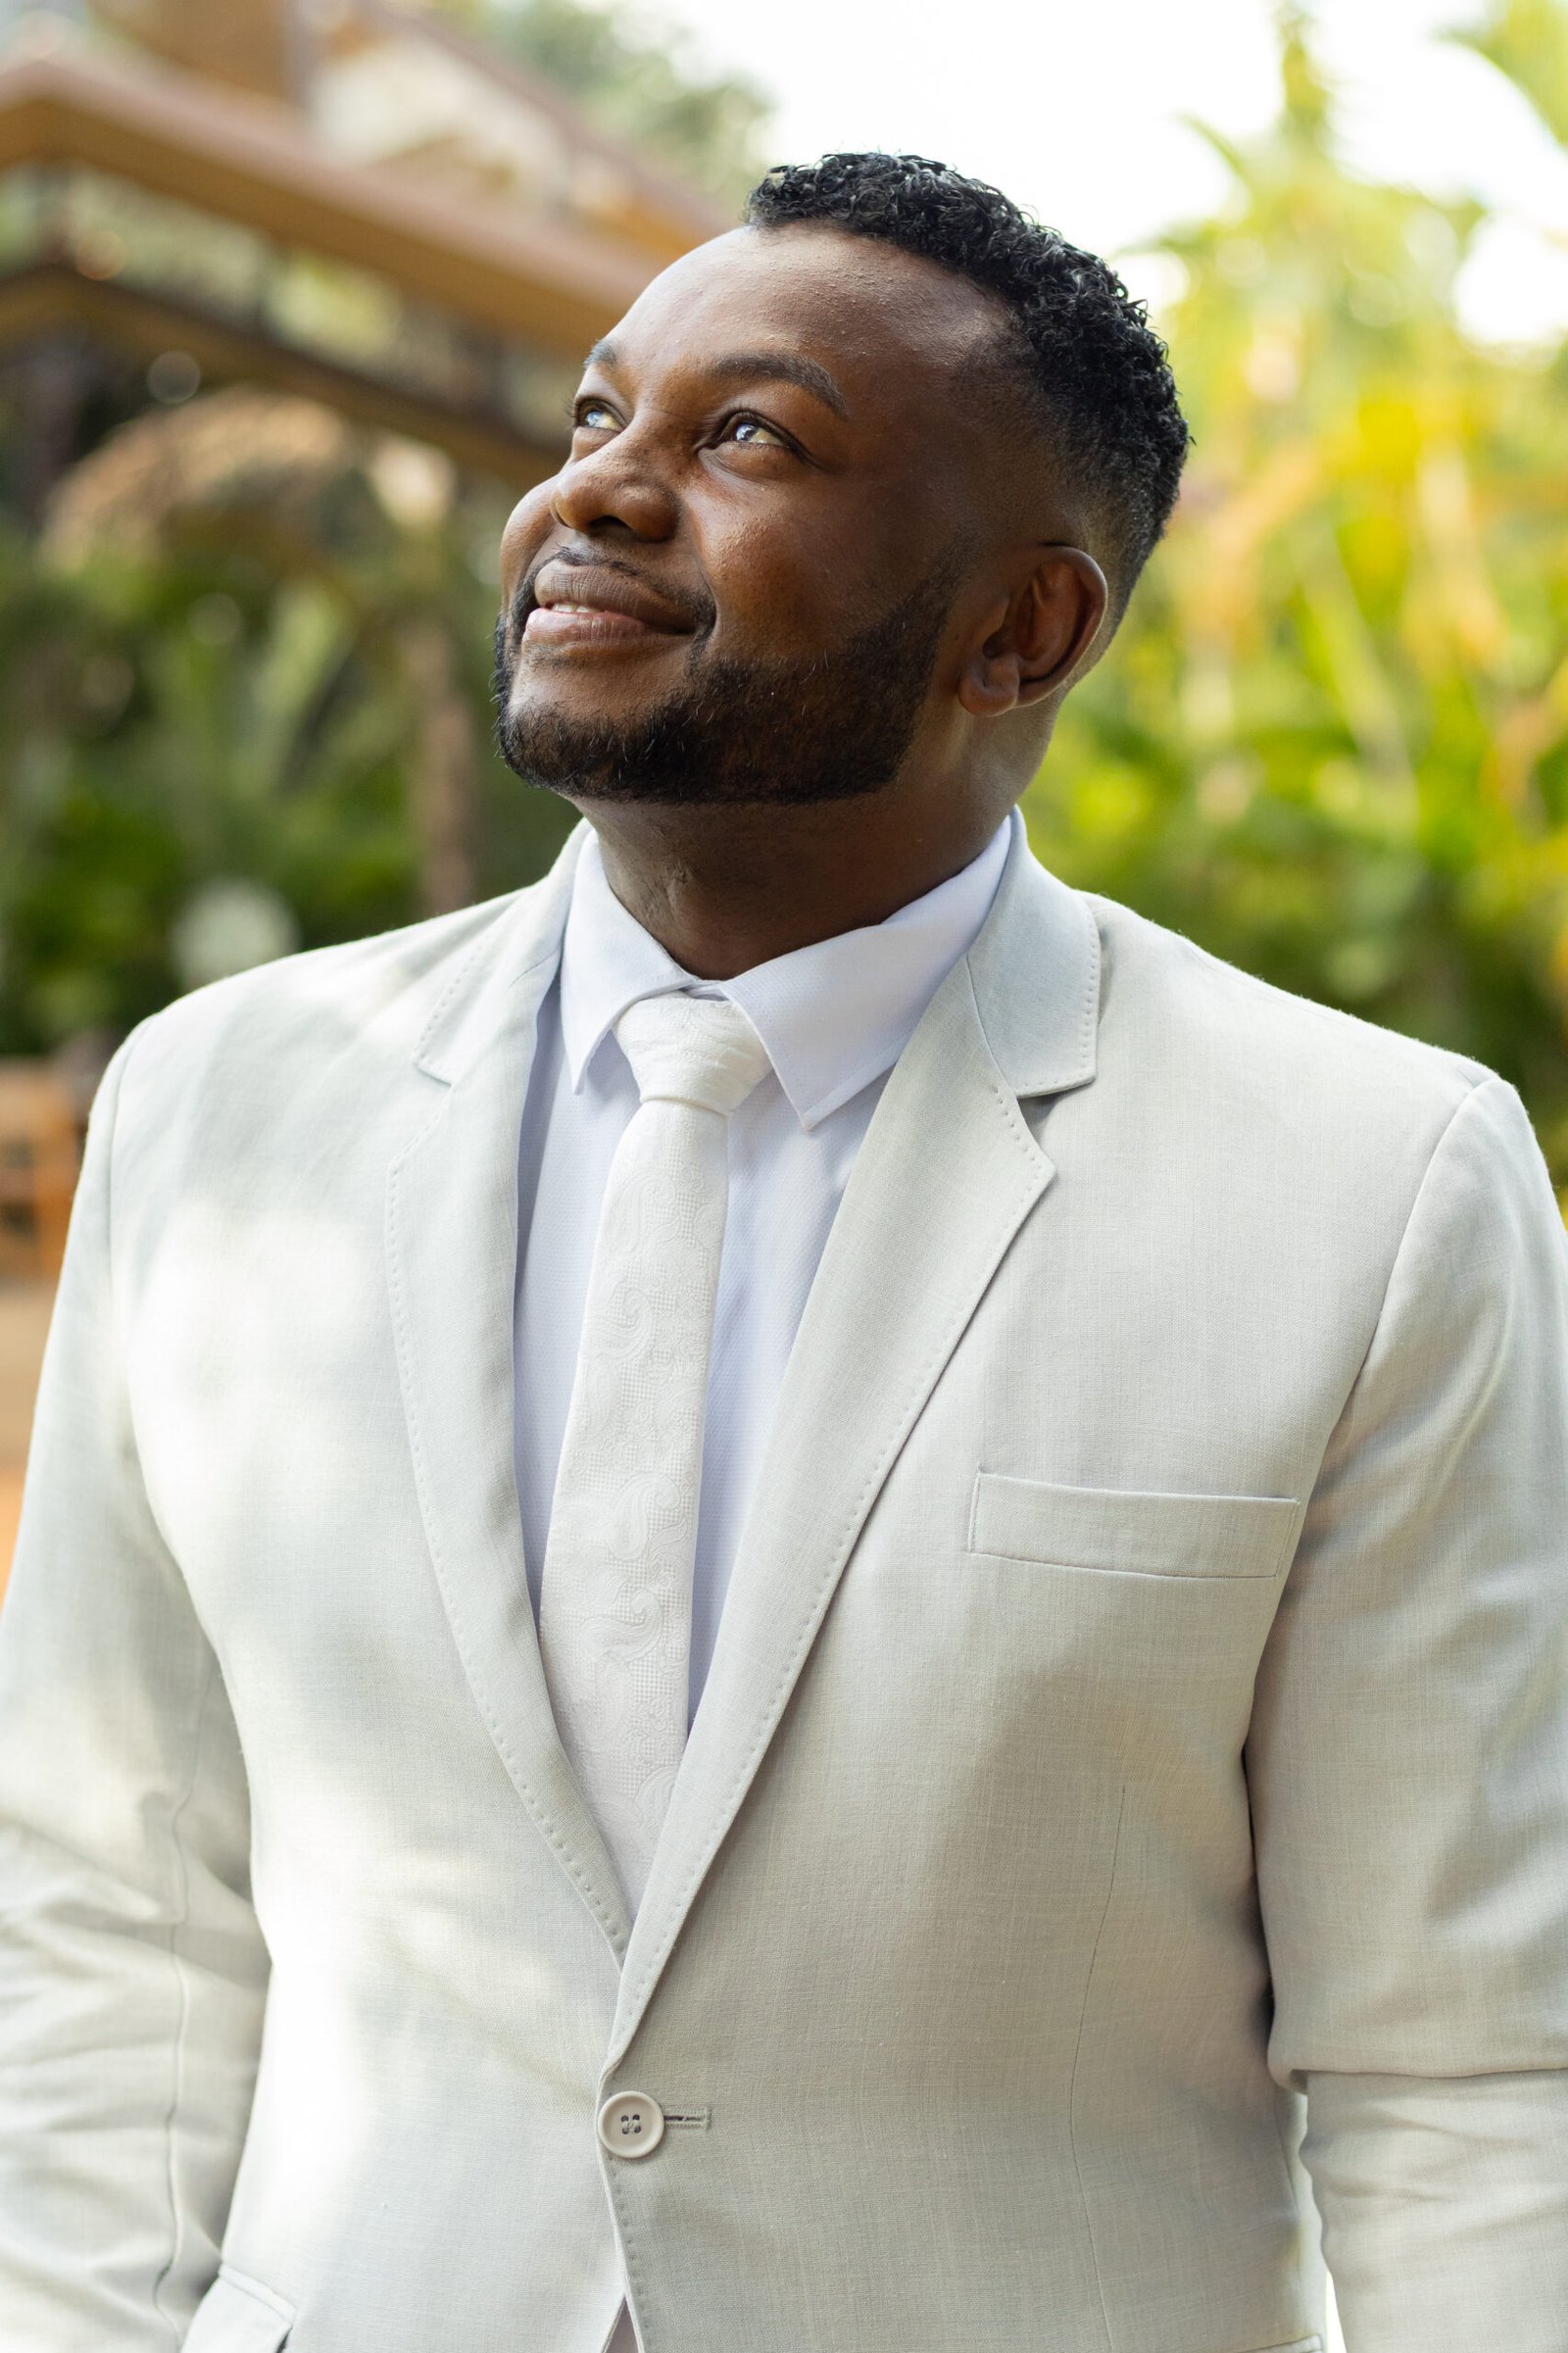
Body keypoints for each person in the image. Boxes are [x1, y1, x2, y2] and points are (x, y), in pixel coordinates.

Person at [1, 150, 1564, 2353]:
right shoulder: (222, 1102)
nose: (597, 492)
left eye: (747, 437)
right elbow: (109, 1917)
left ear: (1021, 630)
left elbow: (1464, 2060)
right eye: (595, 416)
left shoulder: (1367, 1184)